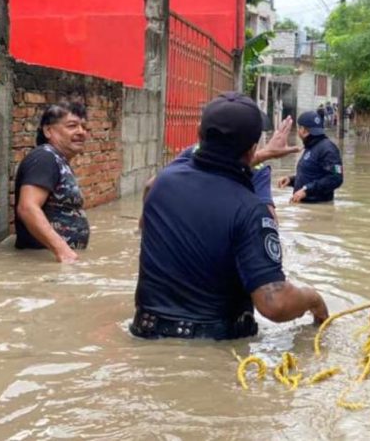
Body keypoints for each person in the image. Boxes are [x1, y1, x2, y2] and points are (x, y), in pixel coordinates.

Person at [132, 92, 328, 340]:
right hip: (212, 349)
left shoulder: (160, 185)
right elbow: (275, 304)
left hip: (143, 332)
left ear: (198, 134)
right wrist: (313, 298)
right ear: (252, 149)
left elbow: (151, 193)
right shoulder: (251, 210)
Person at [139, 114, 301, 229]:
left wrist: (143, 230)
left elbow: (149, 186)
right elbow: (269, 218)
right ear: (252, 146)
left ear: (201, 134)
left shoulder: (193, 151)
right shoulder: (259, 170)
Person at [14, 101, 90, 263]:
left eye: (84, 127)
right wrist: (62, 251)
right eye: (72, 126)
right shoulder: (45, 158)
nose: (81, 132)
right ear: (48, 130)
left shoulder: (57, 159)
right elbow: (27, 207)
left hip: (51, 261)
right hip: (43, 261)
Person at [277, 111, 344, 203]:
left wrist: (307, 190)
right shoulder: (311, 147)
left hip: (319, 209)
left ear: (304, 131)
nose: (298, 131)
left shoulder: (328, 149)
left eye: (299, 128)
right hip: (304, 208)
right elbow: (311, 175)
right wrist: (291, 180)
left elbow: (336, 178)